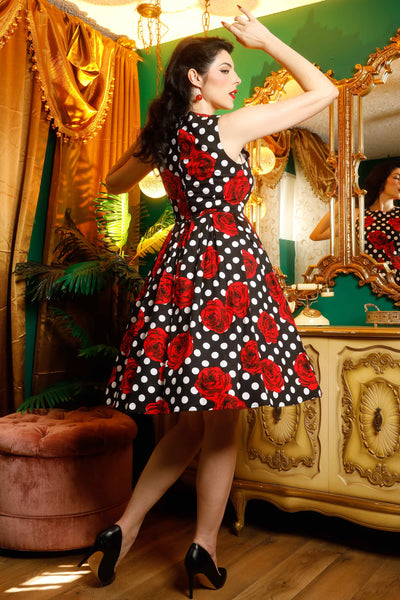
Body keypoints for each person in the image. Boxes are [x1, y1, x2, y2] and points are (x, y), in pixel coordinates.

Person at [78, 7, 338, 597]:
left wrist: (150, 142)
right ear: (195, 79)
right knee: (220, 425)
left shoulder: (166, 138)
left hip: (182, 270)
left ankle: (125, 525)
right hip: (231, 274)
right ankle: (204, 545)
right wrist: (266, 39)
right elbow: (325, 90)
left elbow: (114, 183)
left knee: (199, 423)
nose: (235, 79)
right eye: (225, 68)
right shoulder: (232, 128)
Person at [310, 159, 400, 280]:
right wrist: (339, 204)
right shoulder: (359, 215)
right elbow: (316, 235)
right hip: (370, 282)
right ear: (381, 179)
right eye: (397, 178)